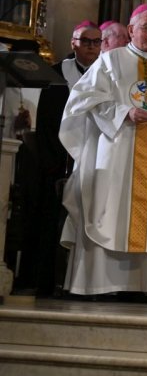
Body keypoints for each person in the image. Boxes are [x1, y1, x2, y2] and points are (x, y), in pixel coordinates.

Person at [59, 4, 147, 299]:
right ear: (131, 30)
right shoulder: (109, 61)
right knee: (106, 211)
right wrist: (122, 112)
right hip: (115, 151)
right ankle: (98, 284)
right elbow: (82, 101)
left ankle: (145, 285)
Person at [22, 22, 102, 295]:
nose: (92, 46)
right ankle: (42, 281)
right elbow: (45, 121)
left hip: (93, 159)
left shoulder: (107, 76)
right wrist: (55, 159)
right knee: (48, 219)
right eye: (86, 41)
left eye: (96, 42)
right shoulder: (55, 75)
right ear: (73, 43)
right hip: (57, 159)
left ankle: (84, 282)